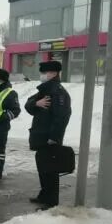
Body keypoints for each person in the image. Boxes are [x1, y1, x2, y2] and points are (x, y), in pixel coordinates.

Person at [25, 61, 72, 209]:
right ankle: (44, 195)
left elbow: (62, 116)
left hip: (49, 138)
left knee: (50, 169)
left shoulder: (58, 92)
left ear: (53, 73)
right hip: (40, 135)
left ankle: (51, 201)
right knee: (43, 166)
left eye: (44, 73)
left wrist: (54, 137)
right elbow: (28, 104)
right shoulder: (45, 90)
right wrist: (36, 104)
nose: (42, 75)